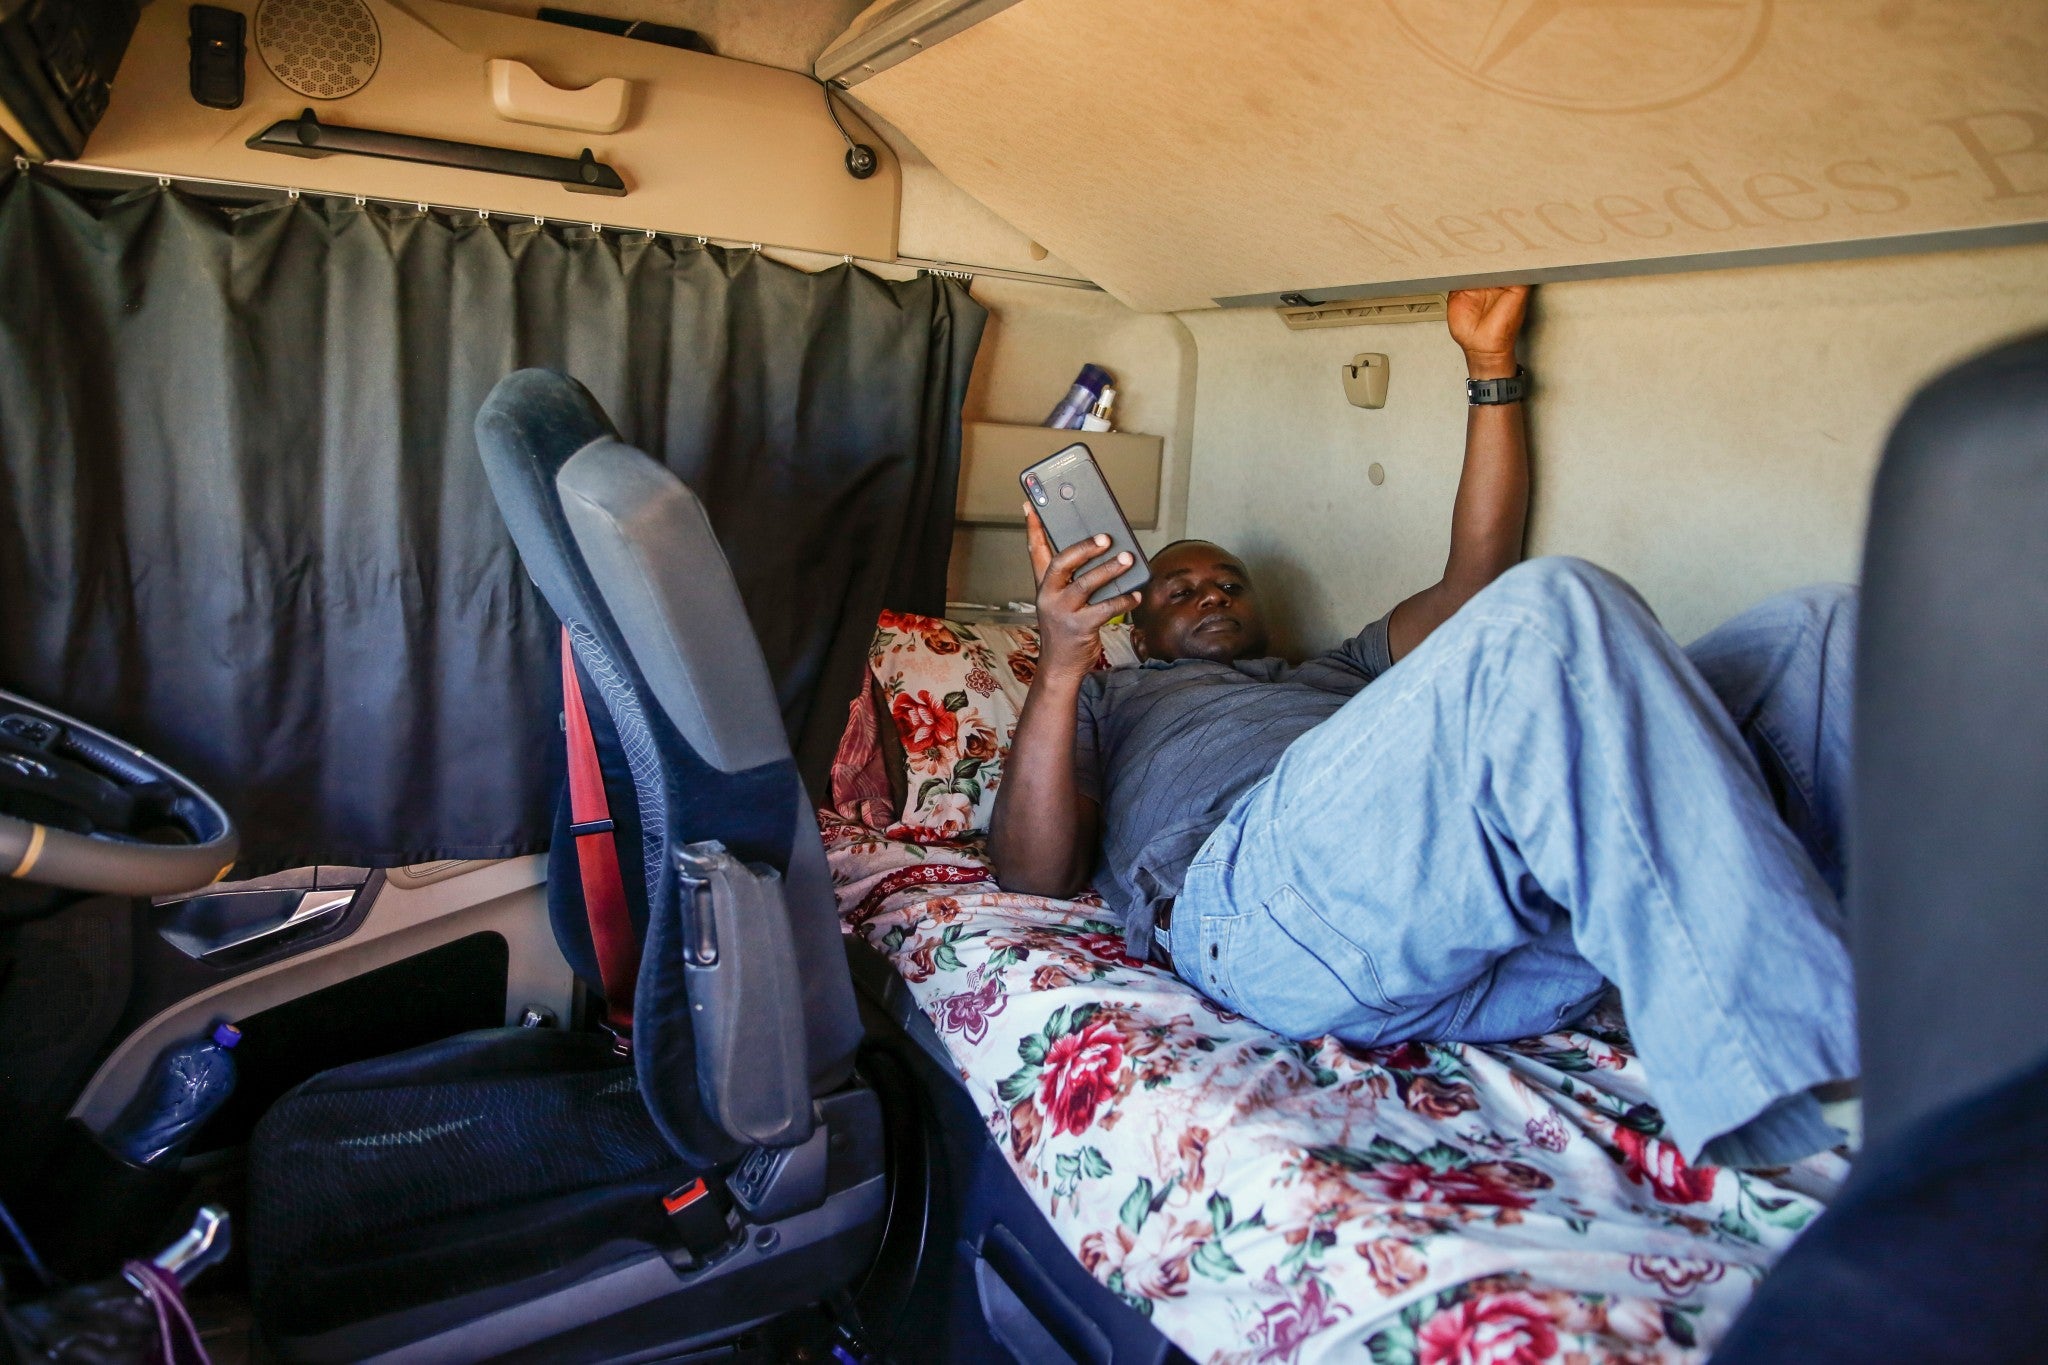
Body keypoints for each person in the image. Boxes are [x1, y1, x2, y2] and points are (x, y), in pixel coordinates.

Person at [989, 285, 1859, 1166]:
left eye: (1229, 582)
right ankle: (1770, 1053)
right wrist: (1064, 657)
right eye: (1180, 590)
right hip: (1261, 907)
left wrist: (1491, 370)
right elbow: (1031, 870)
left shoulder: (1337, 670)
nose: (1213, 591)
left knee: (1820, 634)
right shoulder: (1109, 698)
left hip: (1493, 933)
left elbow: (1477, 576)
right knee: (1552, 610)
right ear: (1139, 632)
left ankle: (1865, 984)